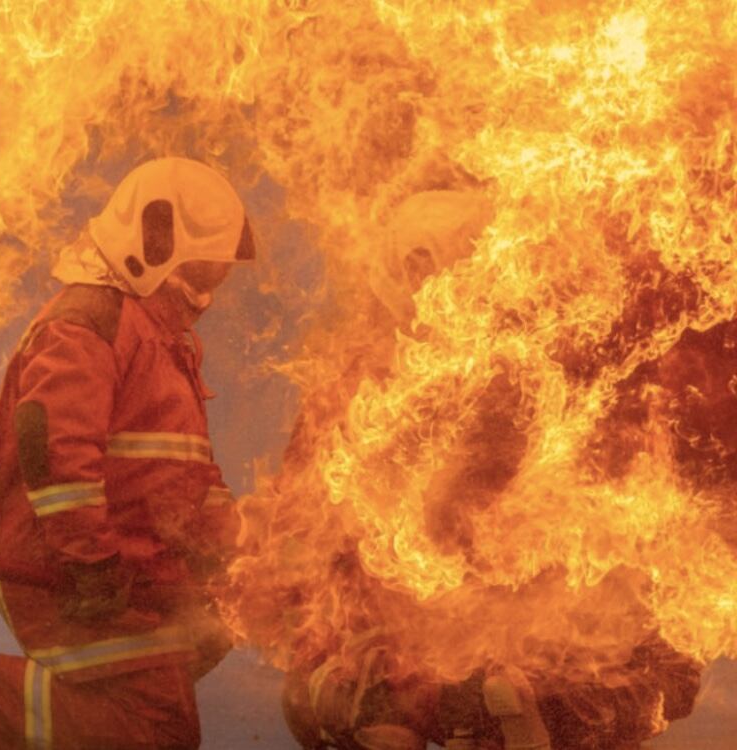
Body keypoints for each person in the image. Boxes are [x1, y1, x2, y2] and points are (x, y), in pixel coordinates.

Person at [274, 190, 701, 750]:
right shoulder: (356, 396)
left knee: (649, 669)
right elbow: (302, 552)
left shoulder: (534, 373)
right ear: (417, 274)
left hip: (523, 647)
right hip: (421, 652)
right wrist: (342, 662)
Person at [0, 157, 255, 750]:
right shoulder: (90, 321)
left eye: (216, 276)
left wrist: (236, 552)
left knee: (160, 714)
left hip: (134, 570)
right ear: (154, 242)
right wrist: (90, 563)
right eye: (199, 271)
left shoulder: (162, 343)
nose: (205, 294)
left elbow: (192, 476)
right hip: (76, 574)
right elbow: (56, 448)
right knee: (155, 730)